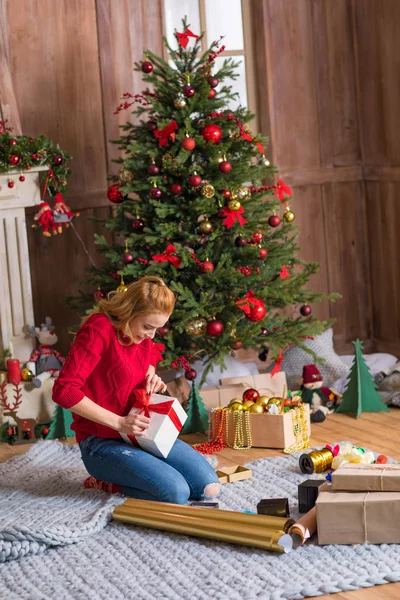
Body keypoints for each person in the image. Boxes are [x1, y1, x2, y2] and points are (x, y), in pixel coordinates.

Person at [52, 276, 220, 504]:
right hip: (100, 441)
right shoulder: (99, 329)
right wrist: (120, 423)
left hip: (140, 436)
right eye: (148, 327)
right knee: (176, 493)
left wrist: (151, 379)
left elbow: (148, 359)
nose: (151, 335)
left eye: (157, 329)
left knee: (209, 488)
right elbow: (64, 391)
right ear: (129, 311)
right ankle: (106, 482)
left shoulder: (143, 338)